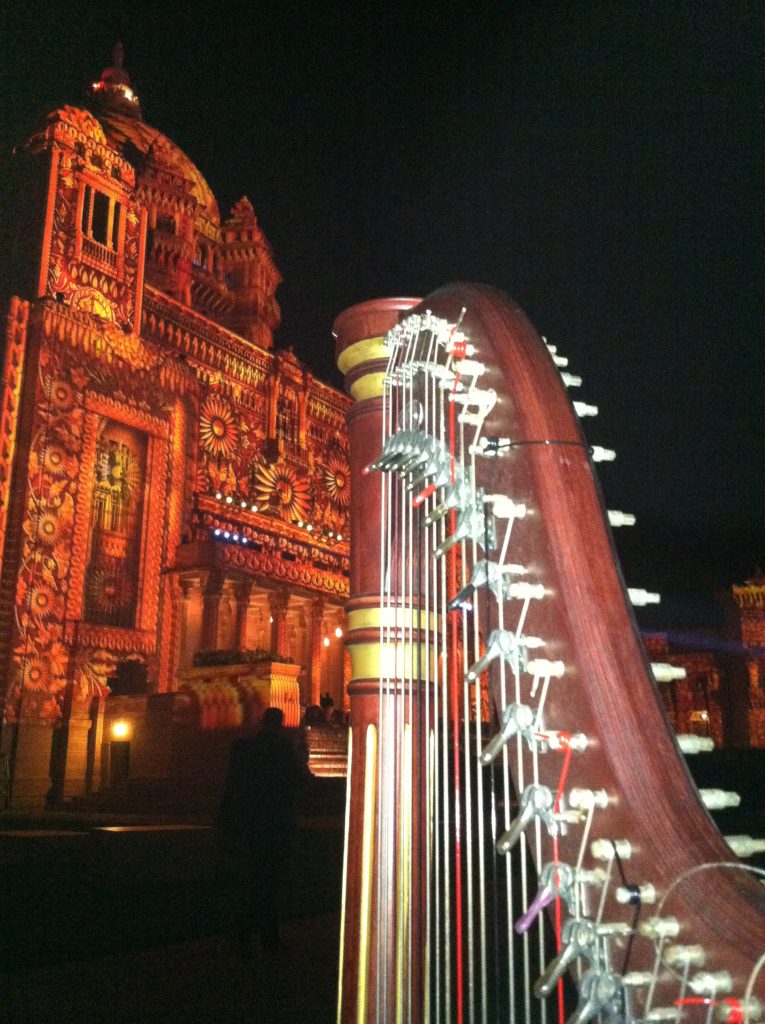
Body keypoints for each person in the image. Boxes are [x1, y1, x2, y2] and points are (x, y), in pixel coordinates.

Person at [217, 707, 309, 954]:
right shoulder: (283, 748)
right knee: (269, 879)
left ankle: (248, 931)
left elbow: (232, 782)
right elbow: (301, 780)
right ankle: (262, 934)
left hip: (252, 819)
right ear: (280, 723)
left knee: (257, 876)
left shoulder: (244, 748)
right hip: (276, 820)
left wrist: (225, 814)